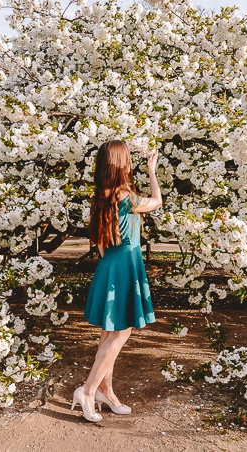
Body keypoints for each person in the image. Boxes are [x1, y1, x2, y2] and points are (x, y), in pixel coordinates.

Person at [71, 140, 162, 422]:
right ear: (122, 164)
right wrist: (152, 170)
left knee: (108, 335)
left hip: (109, 263)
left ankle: (106, 392)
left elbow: (99, 243)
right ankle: (87, 391)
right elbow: (157, 202)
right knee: (121, 333)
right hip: (125, 265)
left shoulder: (100, 197)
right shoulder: (127, 197)